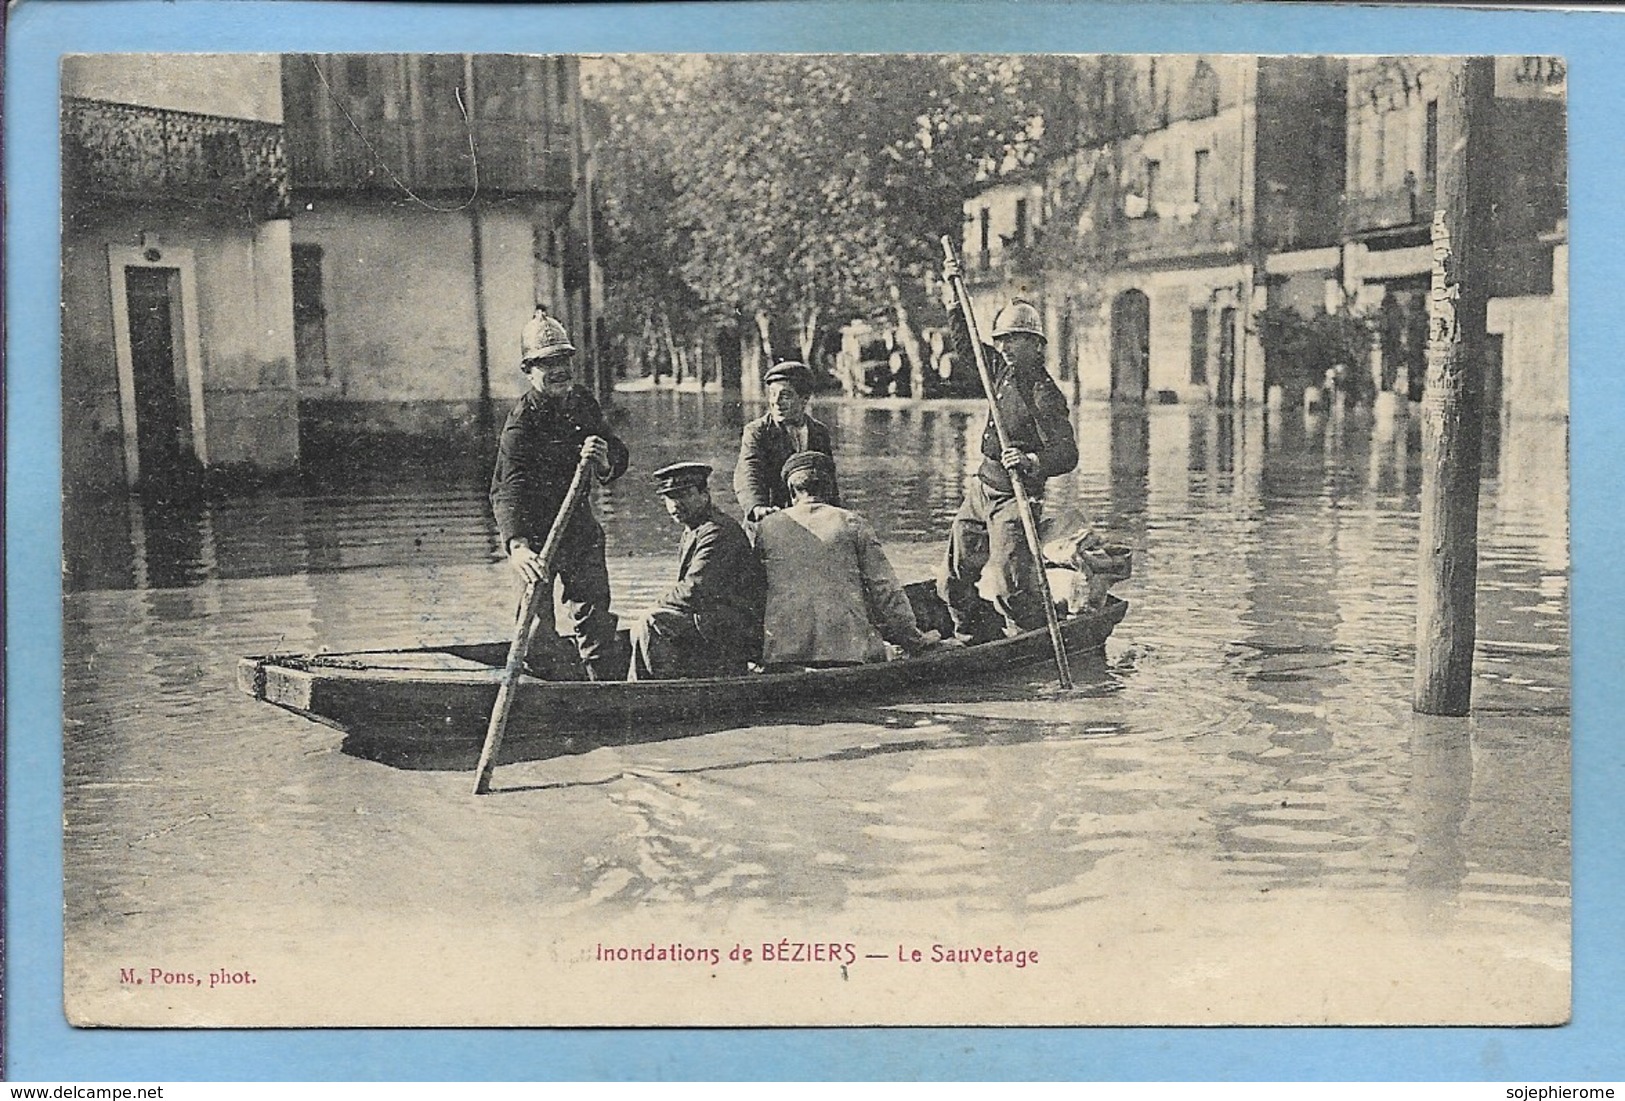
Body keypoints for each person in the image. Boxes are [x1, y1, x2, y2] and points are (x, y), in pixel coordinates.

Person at [937, 268, 1079, 643]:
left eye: (1014, 340)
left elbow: (1067, 454)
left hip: (1017, 498)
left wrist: (1033, 462)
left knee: (1007, 588)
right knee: (951, 579)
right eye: (1001, 340)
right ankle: (970, 635)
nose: (1004, 347)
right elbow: (968, 347)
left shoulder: (1044, 392)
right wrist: (955, 297)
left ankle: (1027, 639)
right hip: (982, 489)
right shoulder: (999, 370)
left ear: (1036, 345)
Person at [489, 307, 630, 681]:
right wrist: (517, 546)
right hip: (535, 538)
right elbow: (508, 487)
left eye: (563, 360)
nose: (558, 370)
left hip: (579, 529)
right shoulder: (521, 423)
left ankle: (605, 690)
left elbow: (616, 452)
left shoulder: (583, 402)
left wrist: (602, 461)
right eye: (546, 363)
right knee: (535, 627)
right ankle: (549, 692)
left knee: (595, 617)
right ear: (529, 370)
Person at [754, 451, 944, 666]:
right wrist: (915, 641)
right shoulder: (853, 523)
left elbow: (755, 592)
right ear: (830, 488)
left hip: (783, 651)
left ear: (791, 491)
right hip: (846, 652)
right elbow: (886, 591)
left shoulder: (767, 527)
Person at [628, 462, 767, 681]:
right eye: (669, 497)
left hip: (730, 634)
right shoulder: (694, 528)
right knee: (646, 623)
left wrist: (656, 605)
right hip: (709, 624)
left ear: (705, 494)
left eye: (684, 495)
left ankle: (649, 694)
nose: (675, 504)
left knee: (652, 621)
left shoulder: (717, 531)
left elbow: (694, 590)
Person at [733, 361, 839, 521]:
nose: (776, 401)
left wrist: (837, 515)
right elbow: (749, 472)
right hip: (770, 516)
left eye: (785, 395)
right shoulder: (757, 432)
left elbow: (828, 479)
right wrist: (757, 507)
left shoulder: (819, 432)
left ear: (804, 399)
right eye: (772, 394)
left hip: (811, 517)